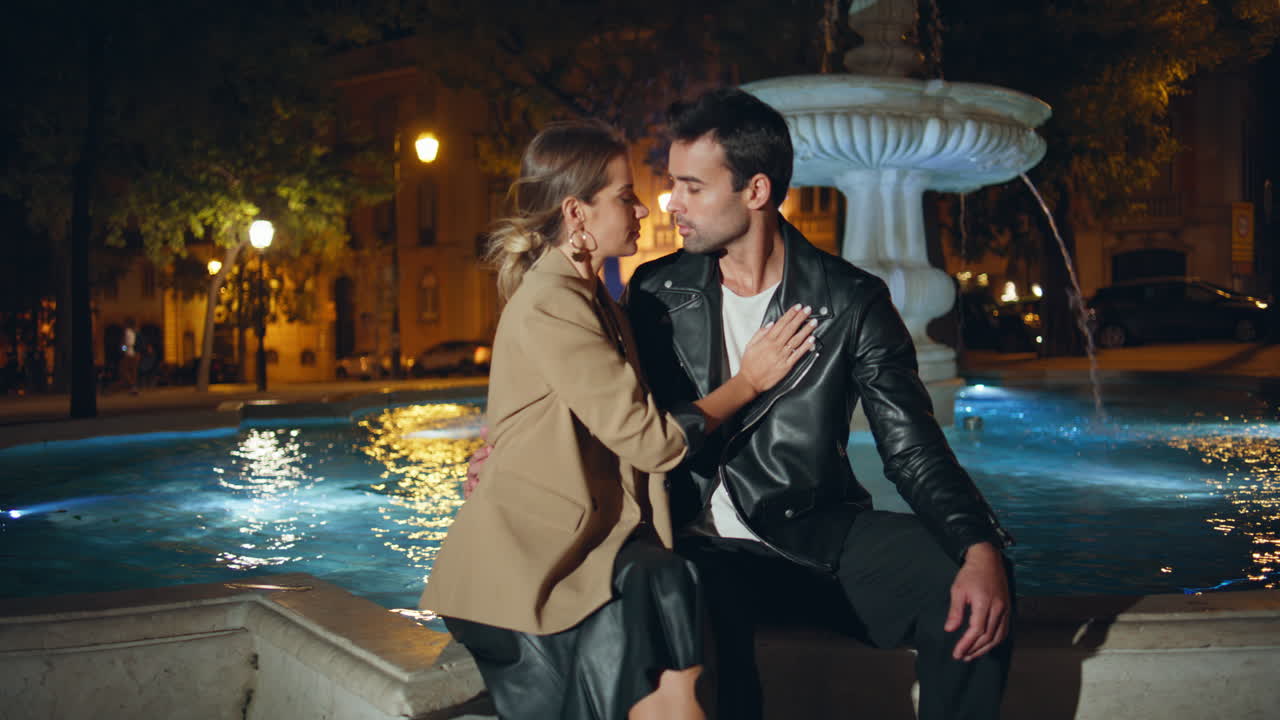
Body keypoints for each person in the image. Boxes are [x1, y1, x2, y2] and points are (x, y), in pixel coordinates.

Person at [620, 88, 1015, 720]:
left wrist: (979, 544)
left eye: (693, 187)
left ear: (756, 191)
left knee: (966, 585)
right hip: (694, 542)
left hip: (811, 531)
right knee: (703, 627)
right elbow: (607, 408)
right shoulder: (656, 291)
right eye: (675, 185)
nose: (674, 204)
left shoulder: (850, 300)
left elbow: (910, 446)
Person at [419, 119, 816, 720]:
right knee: (663, 584)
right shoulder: (553, 300)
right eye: (625, 196)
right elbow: (650, 440)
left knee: (667, 582)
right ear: (577, 213)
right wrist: (749, 382)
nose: (642, 207)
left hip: (581, 541)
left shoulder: (595, 297)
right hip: (526, 563)